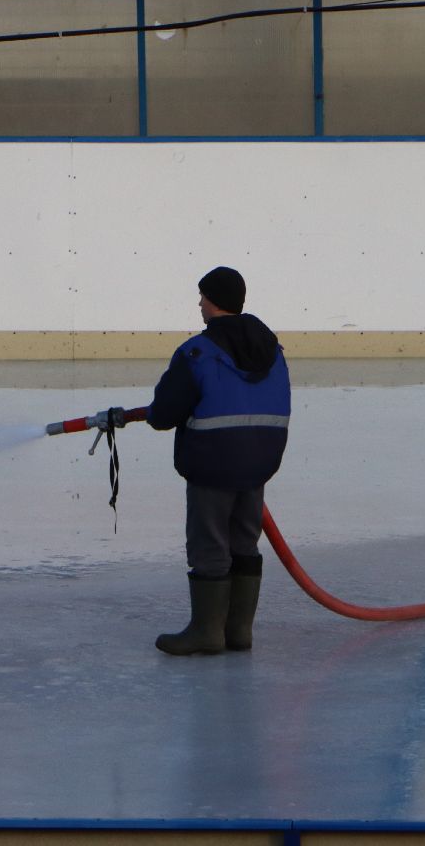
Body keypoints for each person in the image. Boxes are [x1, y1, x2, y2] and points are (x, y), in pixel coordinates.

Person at [143, 266, 290, 655]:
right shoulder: (271, 351)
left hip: (213, 462)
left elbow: (162, 415)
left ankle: (207, 632)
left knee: (210, 543)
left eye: (203, 297)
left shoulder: (197, 353)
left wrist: (161, 411)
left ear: (214, 301)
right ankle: (238, 631)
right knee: (245, 539)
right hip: (259, 461)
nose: (199, 304)